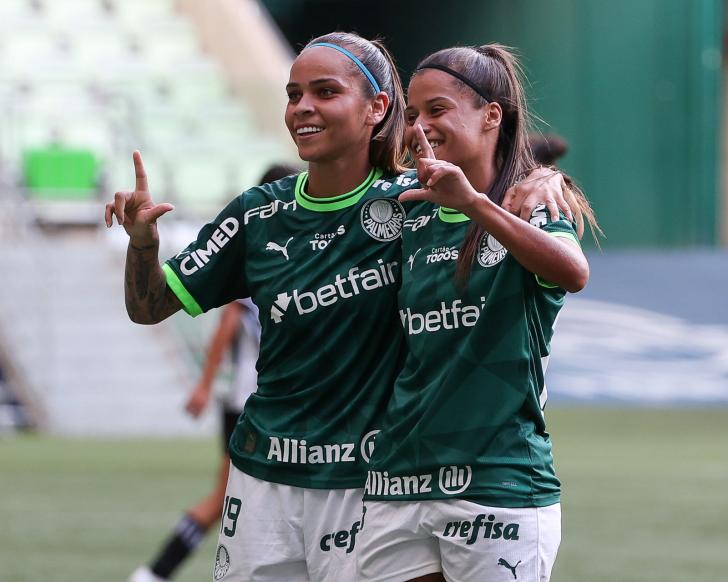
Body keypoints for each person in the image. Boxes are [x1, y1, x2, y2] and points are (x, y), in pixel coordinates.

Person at [106, 33, 570, 582]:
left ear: (377, 108)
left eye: (324, 92)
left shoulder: (414, 203)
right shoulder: (257, 215)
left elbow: (493, 188)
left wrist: (543, 179)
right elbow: (149, 306)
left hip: (369, 485)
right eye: (293, 94)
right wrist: (142, 244)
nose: (302, 107)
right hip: (263, 476)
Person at [358, 44, 600, 582]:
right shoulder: (404, 209)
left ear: (492, 114)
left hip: (497, 483)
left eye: (437, 109)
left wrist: (476, 204)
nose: (421, 125)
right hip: (399, 480)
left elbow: (573, 271)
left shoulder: (527, 204)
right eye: (413, 113)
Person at [128, 165, 297, 582]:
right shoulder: (264, 249)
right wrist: (205, 384)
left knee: (241, 498)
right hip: (250, 400)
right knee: (225, 497)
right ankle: (155, 573)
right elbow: (226, 329)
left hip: (255, 398)